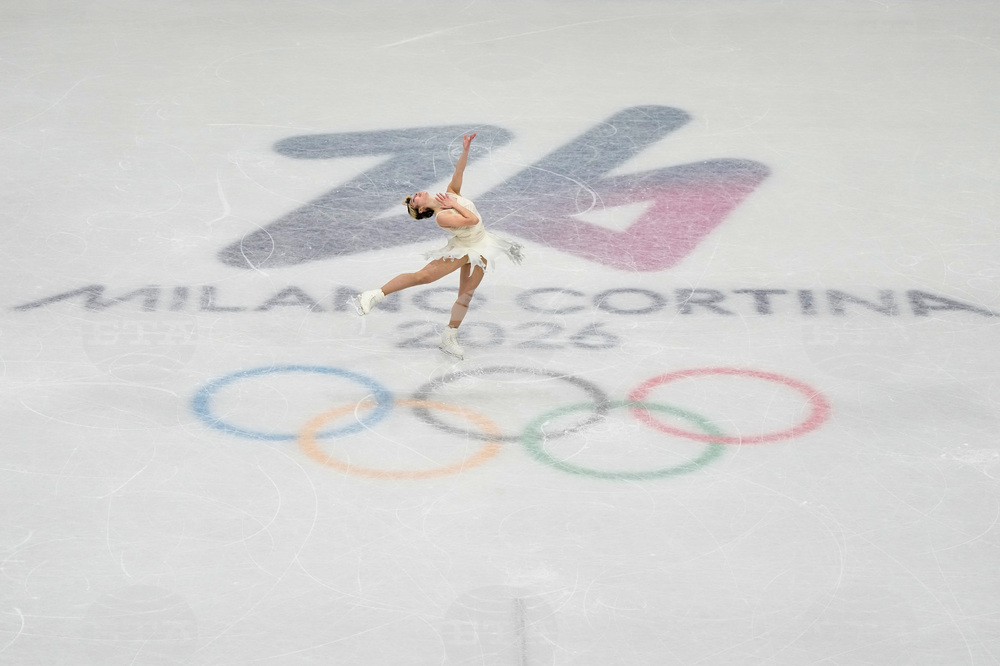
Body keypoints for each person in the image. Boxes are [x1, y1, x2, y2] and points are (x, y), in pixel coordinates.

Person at [350, 132, 524, 359]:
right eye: (415, 200)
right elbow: (472, 220)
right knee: (424, 276)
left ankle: (449, 337)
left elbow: (459, 171)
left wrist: (465, 149)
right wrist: (454, 204)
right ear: (422, 209)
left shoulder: (450, 193)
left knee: (466, 295)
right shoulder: (442, 217)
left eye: (413, 195)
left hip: (482, 246)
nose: (416, 195)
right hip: (463, 248)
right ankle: (374, 295)